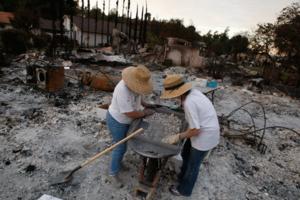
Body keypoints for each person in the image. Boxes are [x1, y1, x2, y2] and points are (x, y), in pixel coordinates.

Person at [161, 74, 220, 197]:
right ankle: (182, 176)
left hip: (205, 136)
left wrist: (178, 136)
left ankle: (184, 190)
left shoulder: (189, 102)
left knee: (193, 165)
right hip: (203, 129)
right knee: (185, 153)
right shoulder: (193, 92)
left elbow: (195, 131)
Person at [106, 65, 154, 187]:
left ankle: (118, 163)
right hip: (117, 121)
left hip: (126, 120)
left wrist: (145, 104)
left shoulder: (135, 86)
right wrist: (144, 113)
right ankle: (112, 173)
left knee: (123, 146)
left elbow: (139, 96)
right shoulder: (122, 89)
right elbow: (129, 113)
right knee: (120, 147)